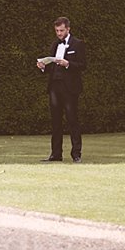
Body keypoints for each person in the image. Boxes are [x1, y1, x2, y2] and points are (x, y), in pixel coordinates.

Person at [36, 17, 87, 163]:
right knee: (55, 121)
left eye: (61, 30)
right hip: (54, 87)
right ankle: (56, 154)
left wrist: (68, 64)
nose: (59, 33)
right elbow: (51, 67)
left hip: (70, 88)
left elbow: (83, 65)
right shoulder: (54, 44)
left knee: (72, 120)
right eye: (57, 31)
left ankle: (76, 154)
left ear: (68, 29)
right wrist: (43, 67)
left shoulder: (78, 44)